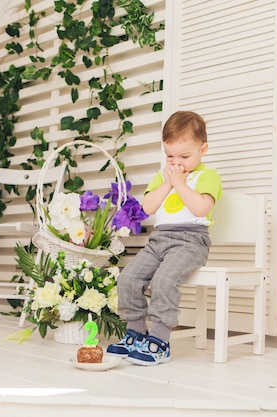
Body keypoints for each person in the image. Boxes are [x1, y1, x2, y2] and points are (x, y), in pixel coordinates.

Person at [107, 110, 223, 366]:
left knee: (163, 280)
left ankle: (159, 341)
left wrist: (180, 183)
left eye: (184, 156)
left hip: (192, 241)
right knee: (128, 278)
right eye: (169, 155)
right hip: (159, 240)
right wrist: (169, 183)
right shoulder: (164, 177)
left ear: (202, 149)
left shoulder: (207, 176)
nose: (176, 162)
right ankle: (135, 334)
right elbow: (147, 208)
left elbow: (201, 208)